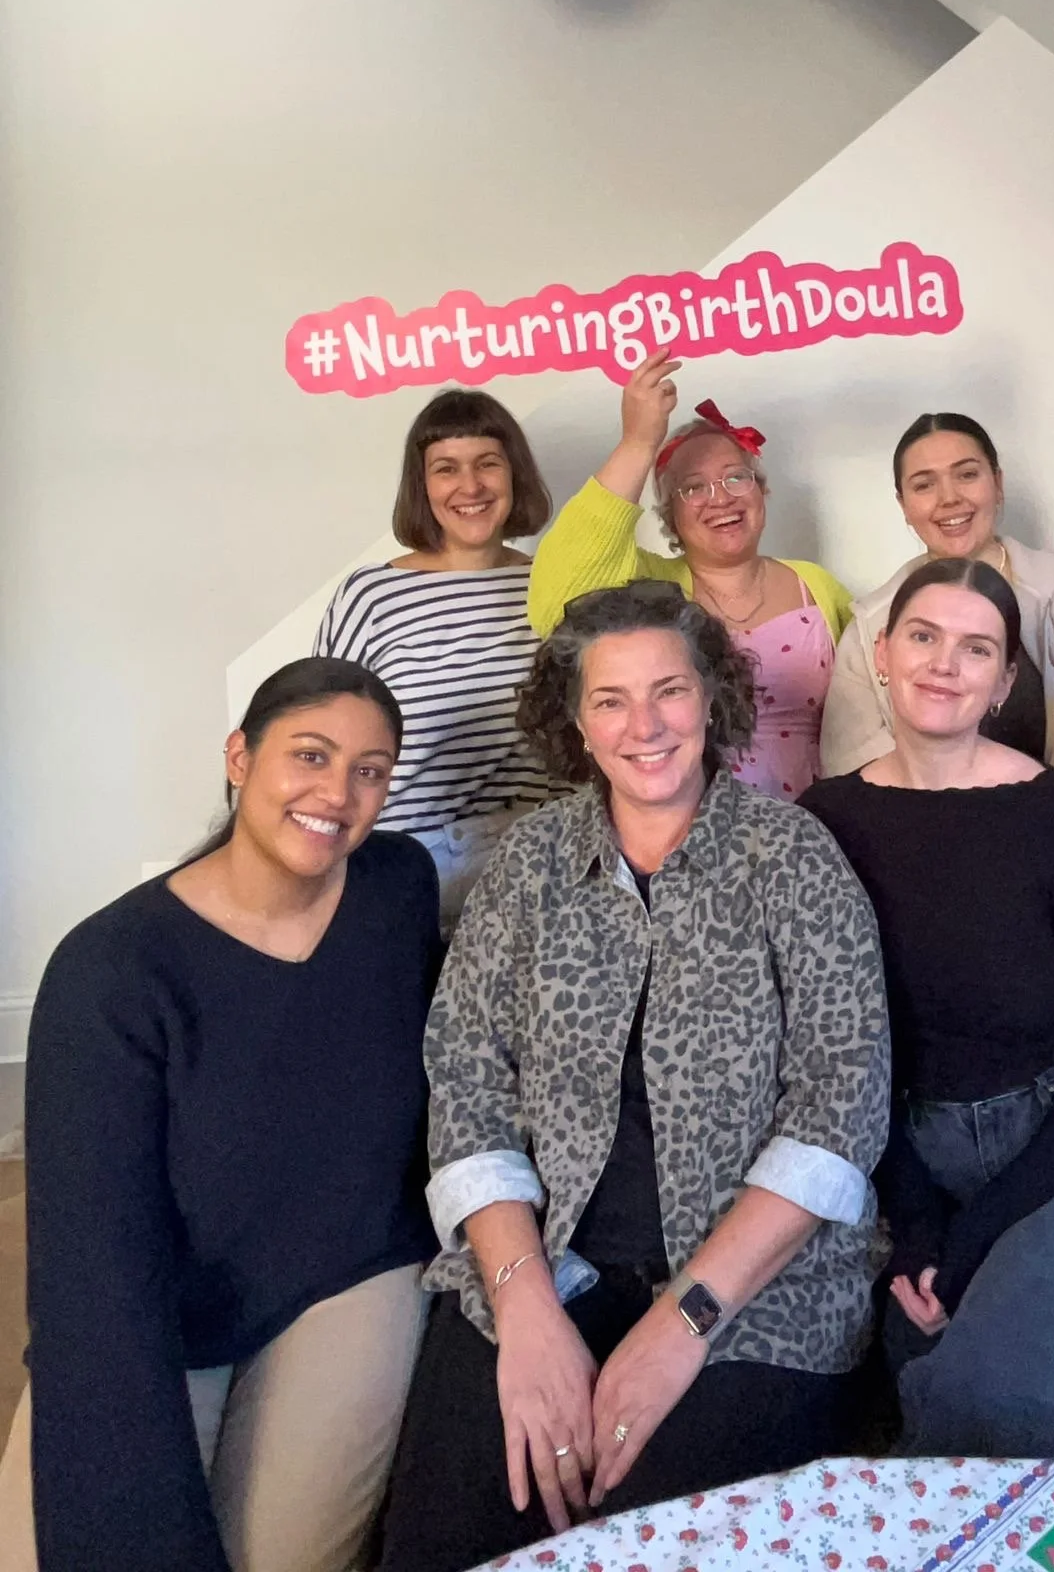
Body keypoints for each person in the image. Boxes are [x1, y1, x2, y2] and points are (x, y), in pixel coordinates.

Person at [377, 579, 890, 1572]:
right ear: (574, 717)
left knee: (652, 1548)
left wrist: (686, 1319)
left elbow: (843, 1099)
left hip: (760, 1296)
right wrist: (525, 1309)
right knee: (445, 1545)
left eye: (670, 690)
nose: (645, 724)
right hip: (538, 1269)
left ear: (713, 698)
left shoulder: (793, 854)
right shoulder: (528, 864)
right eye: (610, 698)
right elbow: (467, 1075)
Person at [0, 659, 441, 1572]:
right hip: (163, 1300)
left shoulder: (397, 889)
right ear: (239, 757)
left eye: (371, 770)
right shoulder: (111, 973)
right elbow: (92, 1269)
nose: (339, 793)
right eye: (310, 756)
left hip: (348, 1271)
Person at [800, 558, 1054, 1463]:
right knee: (921, 1386)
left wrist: (977, 1234)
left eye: (976, 647)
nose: (946, 663)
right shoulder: (824, 819)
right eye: (924, 637)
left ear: (1006, 681)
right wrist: (915, 1222)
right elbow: (838, 1054)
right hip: (902, 1159)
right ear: (881, 658)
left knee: (1002, 1408)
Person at [528, 350, 852, 798]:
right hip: (694, 825)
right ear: (669, 516)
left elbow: (867, 711)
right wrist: (638, 442)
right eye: (693, 487)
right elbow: (557, 603)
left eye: (735, 478)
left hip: (817, 820)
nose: (719, 499)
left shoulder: (817, 586)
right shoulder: (649, 593)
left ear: (762, 491)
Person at [315, 387, 554, 930]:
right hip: (403, 866)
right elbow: (323, 733)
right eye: (446, 468)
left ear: (513, 473)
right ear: (422, 486)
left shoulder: (553, 583)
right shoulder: (372, 594)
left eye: (487, 463)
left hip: (534, 857)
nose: (470, 486)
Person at [820, 411, 1054, 807]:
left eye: (967, 474)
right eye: (924, 484)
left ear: (997, 484)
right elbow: (854, 763)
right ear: (902, 504)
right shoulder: (871, 626)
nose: (949, 497)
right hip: (907, 846)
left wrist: (1050, 833)